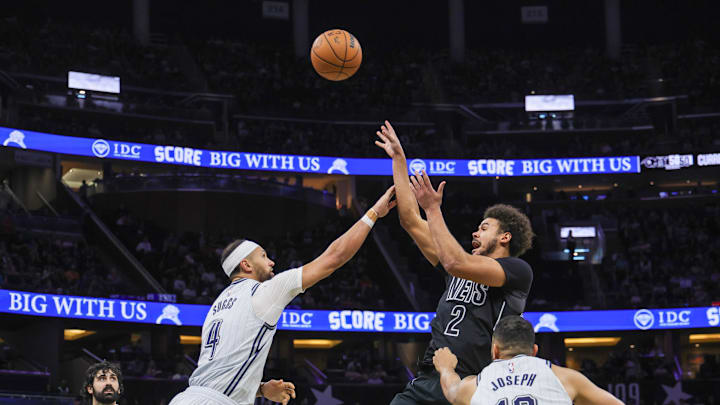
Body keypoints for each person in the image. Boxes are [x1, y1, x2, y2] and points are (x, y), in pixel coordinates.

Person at [169, 187, 397, 405]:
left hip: (187, 398)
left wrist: (259, 389)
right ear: (246, 264)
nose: (271, 262)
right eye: (263, 256)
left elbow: (216, 376)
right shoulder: (263, 291)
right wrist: (373, 213)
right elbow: (333, 258)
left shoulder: (217, 305)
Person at [375, 121, 534, 405]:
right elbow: (410, 220)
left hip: (475, 384)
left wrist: (434, 208)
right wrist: (400, 160)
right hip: (429, 379)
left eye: (484, 228)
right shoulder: (460, 264)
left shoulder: (517, 272)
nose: (475, 232)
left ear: (505, 237)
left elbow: (453, 262)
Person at [432, 316, 623, 405]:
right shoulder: (565, 378)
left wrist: (446, 367)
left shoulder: (476, 385)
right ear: (534, 351)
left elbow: (452, 390)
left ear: (496, 350)